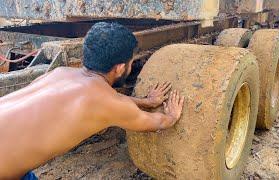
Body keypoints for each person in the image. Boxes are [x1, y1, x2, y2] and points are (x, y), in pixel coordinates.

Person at [0, 22, 184, 179]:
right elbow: (155, 122)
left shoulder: (60, 73)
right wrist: (171, 116)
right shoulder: (105, 102)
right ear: (120, 68)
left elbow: (107, 100)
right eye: (130, 62)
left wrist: (146, 102)